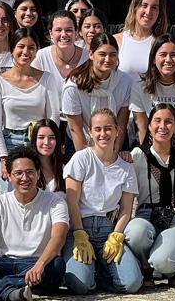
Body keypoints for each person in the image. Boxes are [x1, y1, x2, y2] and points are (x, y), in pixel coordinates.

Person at [0, 147, 68, 300]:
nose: (25, 178)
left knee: (57, 265)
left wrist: (39, 265)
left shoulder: (55, 201)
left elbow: (58, 238)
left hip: (37, 263)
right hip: (4, 262)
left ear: (38, 174)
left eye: (30, 172)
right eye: (18, 173)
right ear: (9, 177)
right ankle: (9, 292)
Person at [62, 109, 142, 294]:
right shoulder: (81, 159)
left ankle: (100, 275)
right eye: (97, 129)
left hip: (108, 230)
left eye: (108, 128)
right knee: (80, 284)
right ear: (90, 132)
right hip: (81, 227)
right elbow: (72, 201)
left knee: (132, 284)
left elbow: (126, 209)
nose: (103, 134)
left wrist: (116, 236)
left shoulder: (126, 167)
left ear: (117, 131)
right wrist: (79, 233)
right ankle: (91, 274)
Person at [123, 104, 175, 285]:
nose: (162, 126)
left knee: (163, 261)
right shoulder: (137, 155)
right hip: (146, 215)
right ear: (149, 126)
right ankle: (145, 268)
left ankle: (170, 267)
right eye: (157, 121)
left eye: (168, 122)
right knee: (136, 233)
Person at [0, 27, 62, 176]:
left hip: (39, 143)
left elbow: (53, 117)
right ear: (12, 48)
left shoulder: (47, 79)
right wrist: (3, 157)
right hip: (9, 143)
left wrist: (44, 144)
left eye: (31, 47)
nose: (26, 52)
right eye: (21, 46)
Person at [62, 33, 134, 153]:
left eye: (113, 55)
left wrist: (113, 154)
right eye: (102, 54)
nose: (107, 59)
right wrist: (87, 160)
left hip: (115, 140)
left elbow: (121, 123)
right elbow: (76, 129)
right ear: (91, 54)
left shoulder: (126, 82)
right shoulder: (73, 85)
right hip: (81, 141)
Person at [117, 0, 169, 77]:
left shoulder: (163, 44)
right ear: (135, 8)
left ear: (159, 13)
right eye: (144, 5)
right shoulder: (117, 40)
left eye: (154, 7)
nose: (148, 12)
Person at [32, 10, 87, 80]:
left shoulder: (88, 58)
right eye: (58, 30)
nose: (63, 35)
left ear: (76, 33)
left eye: (68, 30)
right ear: (51, 33)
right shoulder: (41, 57)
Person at [29, 119, 67, 193]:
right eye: (41, 137)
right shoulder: (27, 169)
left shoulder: (65, 169)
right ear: (34, 140)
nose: (46, 142)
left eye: (51, 137)